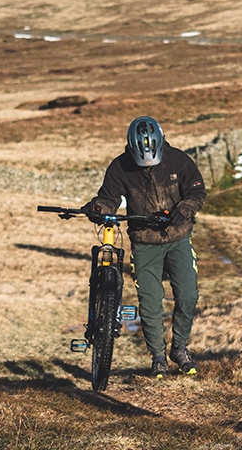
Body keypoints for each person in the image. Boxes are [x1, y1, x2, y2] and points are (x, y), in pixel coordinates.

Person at [84, 116, 207, 378]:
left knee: (188, 295)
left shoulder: (179, 160)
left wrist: (184, 209)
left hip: (178, 239)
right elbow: (108, 198)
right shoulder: (119, 167)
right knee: (150, 303)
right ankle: (158, 358)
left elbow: (197, 192)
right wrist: (98, 209)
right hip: (144, 244)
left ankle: (179, 348)